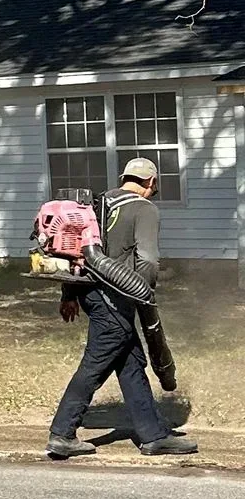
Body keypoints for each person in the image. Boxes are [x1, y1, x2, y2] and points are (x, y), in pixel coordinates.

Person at [48, 156, 196, 459]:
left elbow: (78, 254)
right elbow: (148, 260)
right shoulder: (144, 209)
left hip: (90, 295)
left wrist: (69, 295)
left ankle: (153, 435)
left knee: (130, 363)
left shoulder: (97, 204)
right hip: (115, 300)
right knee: (94, 365)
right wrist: (141, 295)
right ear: (151, 183)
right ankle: (62, 433)